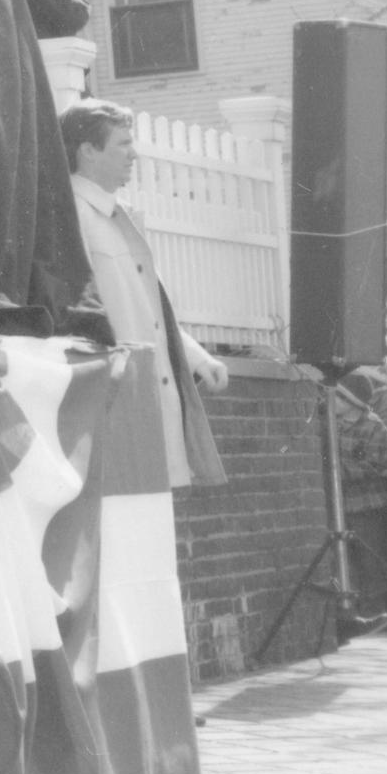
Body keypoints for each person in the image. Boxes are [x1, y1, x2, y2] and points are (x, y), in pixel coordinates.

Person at [59, 99, 230, 487]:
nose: (133, 154)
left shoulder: (121, 215)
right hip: (112, 398)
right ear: (87, 150)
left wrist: (197, 358)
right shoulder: (71, 216)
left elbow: (148, 306)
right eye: (122, 143)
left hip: (145, 395)